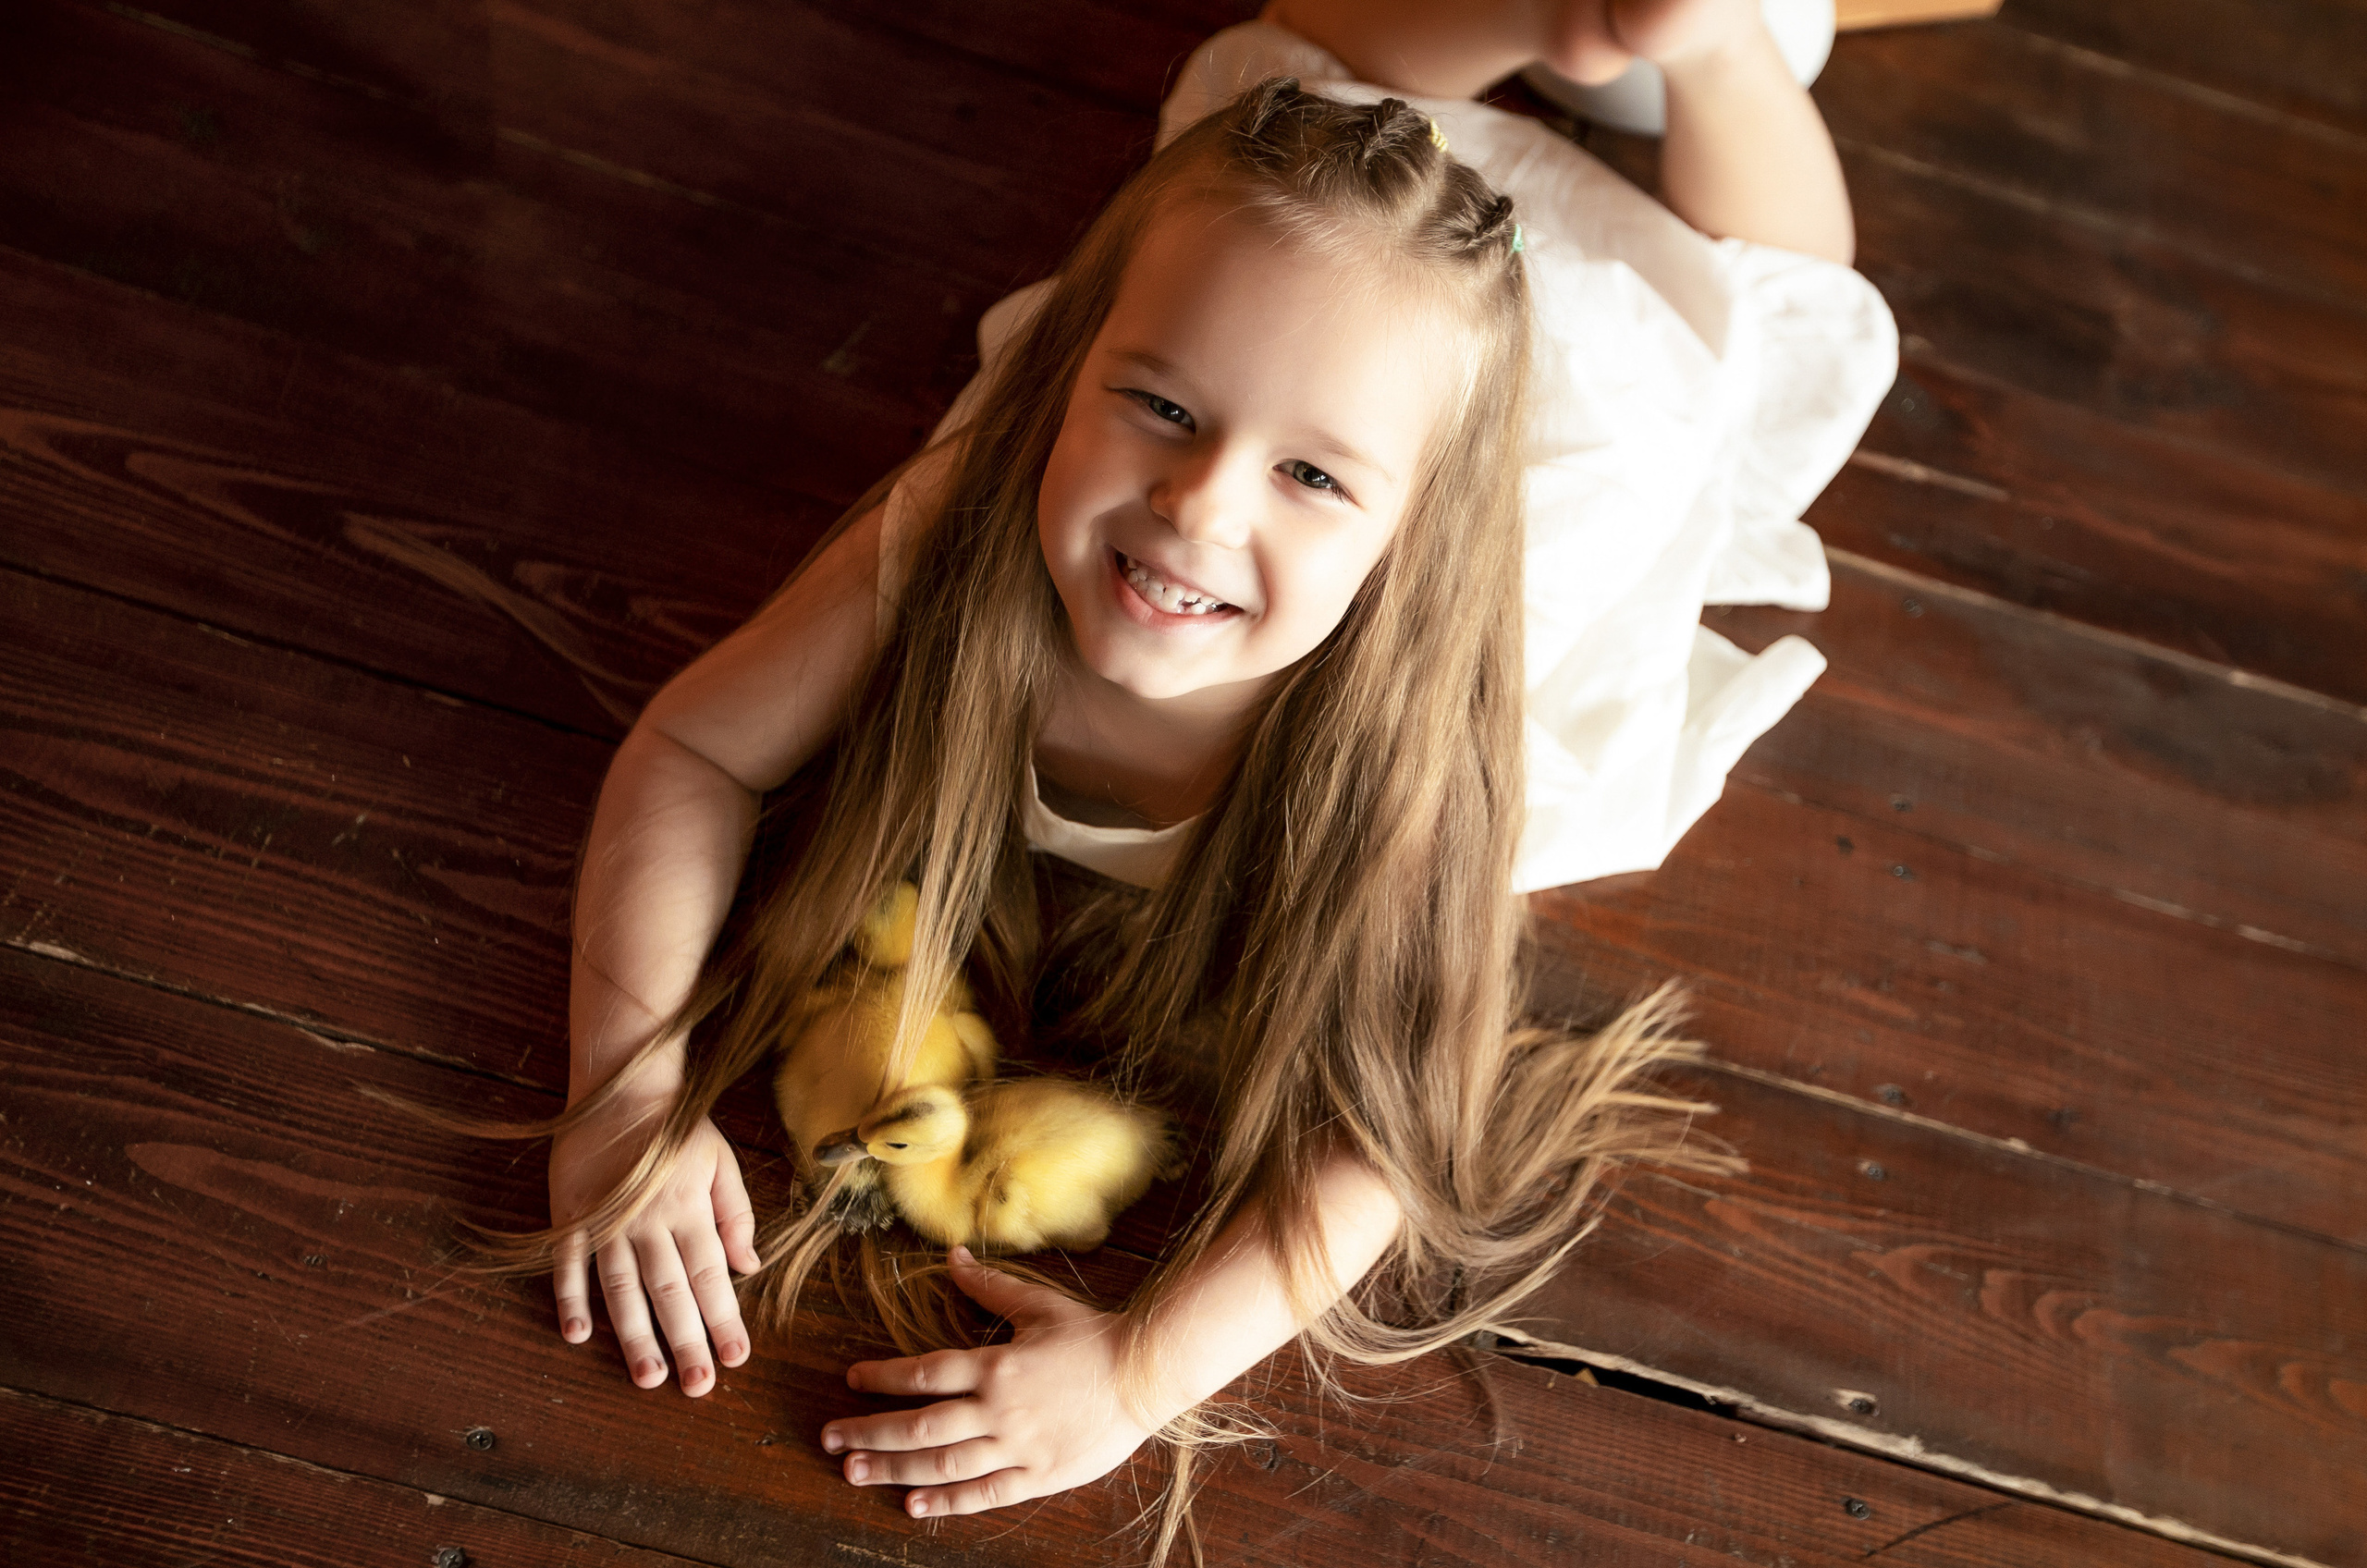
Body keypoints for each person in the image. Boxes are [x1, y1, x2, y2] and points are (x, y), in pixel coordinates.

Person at [531, 0, 1895, 1535]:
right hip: (1335, 272)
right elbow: (693, 745)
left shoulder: (1417, 759)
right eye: (1159, 406)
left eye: (1308, 479)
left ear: (1410, 540)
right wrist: (625, 1091)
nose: (1195, 508)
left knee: (1741, 349)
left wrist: (1138, 1378)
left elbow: (1377, 1140)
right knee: (1277, 110)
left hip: (1555, 370)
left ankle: (1703, 41)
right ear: (1069, 372)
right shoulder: (959, 534)